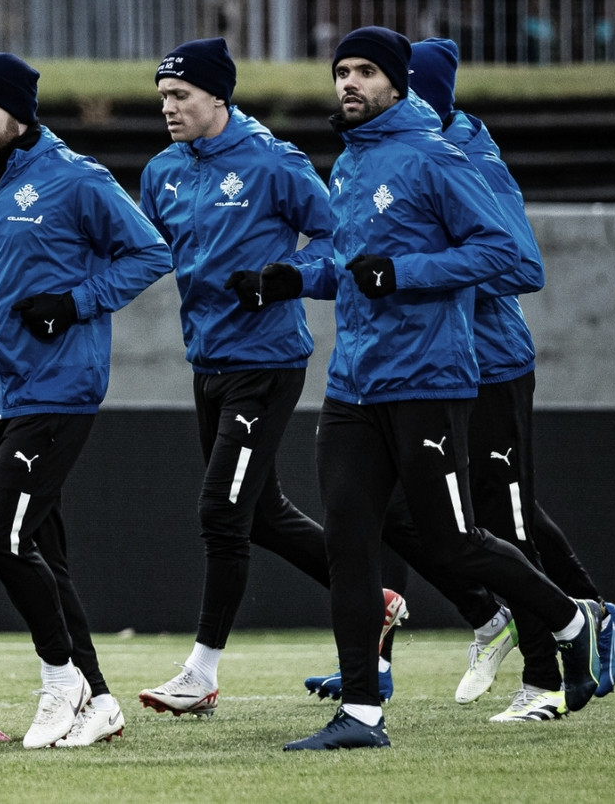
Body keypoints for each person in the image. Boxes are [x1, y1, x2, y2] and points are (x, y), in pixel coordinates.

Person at [267, 26, 602, 751]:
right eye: (341, 71)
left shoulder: (435, 157)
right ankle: (360, 715)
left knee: (455, 541)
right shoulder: (352, 163)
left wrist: (407, 272)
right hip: (353, 386)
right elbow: (352, 263)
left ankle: (573, 619)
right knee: (351, 545)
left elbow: (510, 256)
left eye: (364, 72)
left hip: (428, 382)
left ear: (397, 83)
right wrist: (291, 277)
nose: (348, 83)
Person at [0, 52, 172, 748]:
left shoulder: (75, 179)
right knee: (44, 553)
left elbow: (149, 252)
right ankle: (101, 698)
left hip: (57, 390)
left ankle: (59, 681)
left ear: (20, 113)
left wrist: (75, 302)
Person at [132, 37, 409, 721]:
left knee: (221, 513)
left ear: (218, 96)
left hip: (268, 361)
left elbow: (339, 239)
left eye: (180, 96)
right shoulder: (163, 171)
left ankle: (201, 674)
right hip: (209, 363)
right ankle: (376, 601)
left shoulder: (273, 162)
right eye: (162, 96)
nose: (168, 107)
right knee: (260, 514)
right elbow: (144, 252)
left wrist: (278, 281)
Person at [407, 37, 615, 719]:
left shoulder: (473, 163)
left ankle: (548, 675)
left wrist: (440, 262)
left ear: (430, 98)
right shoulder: (411, 157)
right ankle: (586, 613)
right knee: (452, 512)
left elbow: (523, 267)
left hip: (493, 364)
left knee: (505, 516)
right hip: (442, 366)